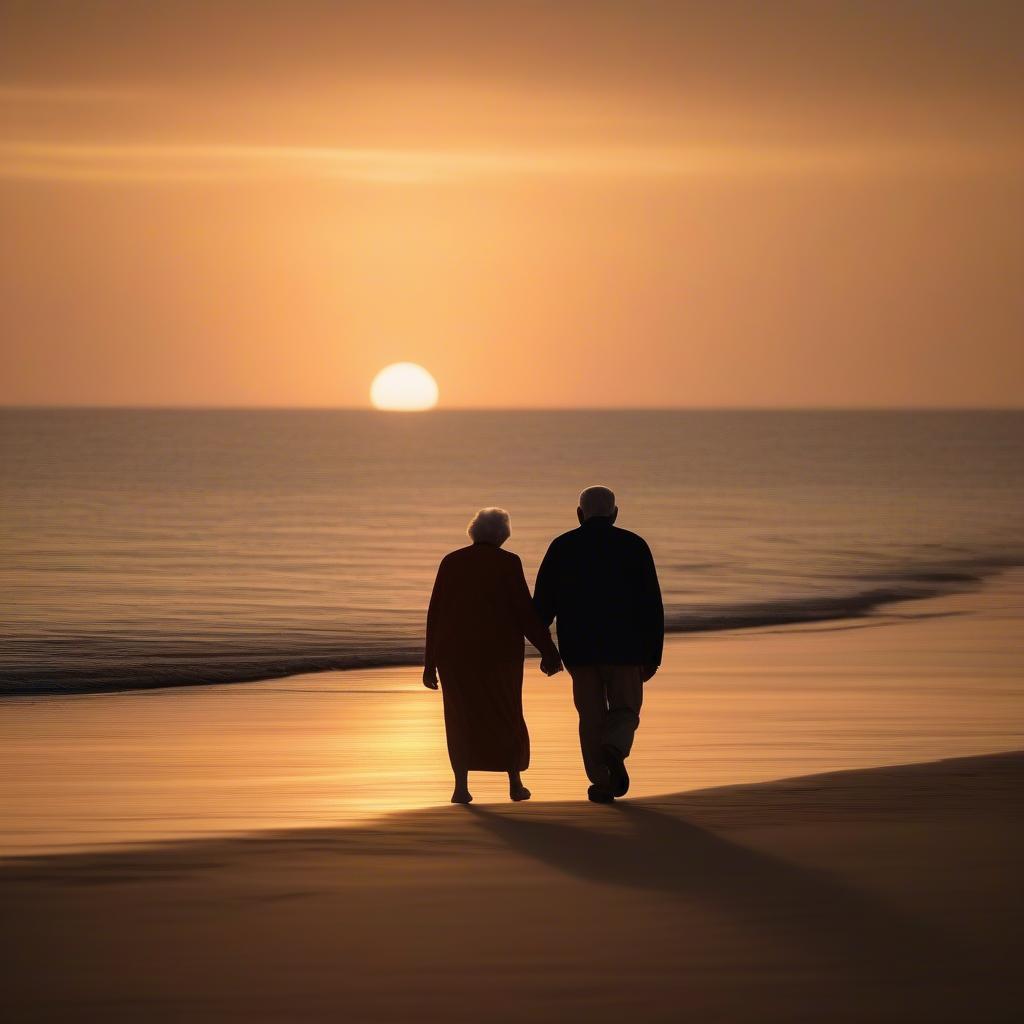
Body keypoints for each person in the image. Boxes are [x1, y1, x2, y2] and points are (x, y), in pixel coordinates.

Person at [533, 486, 664, 803]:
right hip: (627, 648)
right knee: (626, 709)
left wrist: (546, 649)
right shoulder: (634, 545)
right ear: (615, 514)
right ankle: (615, 747)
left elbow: (541, 607)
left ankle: (602, 781)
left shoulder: (563, 546)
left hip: (580, 650)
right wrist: (653, 655)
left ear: (579, 514)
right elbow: (652, 605)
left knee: (590, 716)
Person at [424, 507, 563, 804]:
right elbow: (524, 613)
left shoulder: (451, 562)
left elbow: (435, 614)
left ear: (474, 532)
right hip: (499, 654)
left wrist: (429, 664)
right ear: (503, 535)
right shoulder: (508, 562)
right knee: (506, 712)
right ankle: (515, 783)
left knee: (459, 717)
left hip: (455, 655)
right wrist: (549, 651)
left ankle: (461, 787)